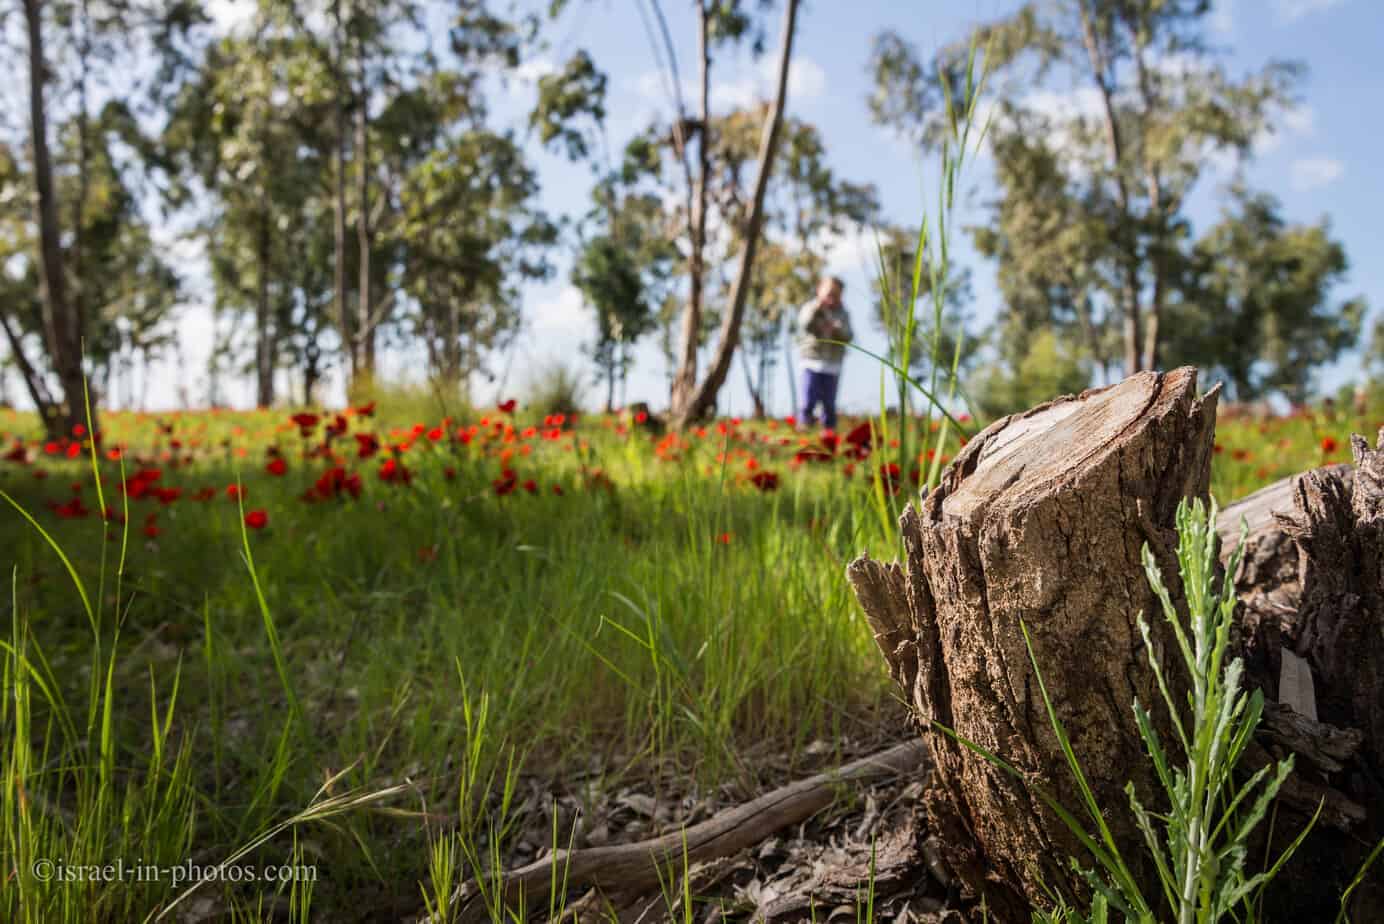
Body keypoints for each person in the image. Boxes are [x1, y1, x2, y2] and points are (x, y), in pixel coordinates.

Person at [795, 276, 852, 430]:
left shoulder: (843, 314)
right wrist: (816, 309)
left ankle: (828, 433)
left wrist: (836, 329)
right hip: (811, 361)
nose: (831, 298)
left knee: (829, 402)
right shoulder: (810, 308)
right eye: (829, 294)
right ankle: (804, 427)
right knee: (808, 398)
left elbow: (848, 335)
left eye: (836, 295)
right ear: (819, 291)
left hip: (832, 365)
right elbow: (804, 325)